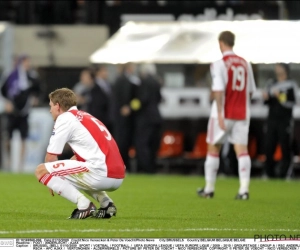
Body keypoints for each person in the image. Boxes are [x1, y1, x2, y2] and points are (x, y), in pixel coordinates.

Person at [34, 88, 125, 219]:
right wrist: (60, 172)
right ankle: (106, 203)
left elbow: (51, 156)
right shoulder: (86, 116)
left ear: (58, 106)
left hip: (100, 173)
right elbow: (84, 155)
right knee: (78, 170)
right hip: (118, 175)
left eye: (51, 106)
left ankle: (84, 205)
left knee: (40, 170)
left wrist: (51, 176)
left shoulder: (64, 118)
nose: (50, 110)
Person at [197, 31, 256, 200]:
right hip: (242, 113)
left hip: (222, 113)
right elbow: (251, 91)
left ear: (221, 43)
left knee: (213, 148)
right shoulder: (245, 64)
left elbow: (218, 90)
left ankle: (209, 189)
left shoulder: (219, 64)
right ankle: (244, 190)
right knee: (242, 151)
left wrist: (221, 115)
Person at [1, 54, 41, 172]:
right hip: (12, 111)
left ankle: (20, 166)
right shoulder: (10, 76)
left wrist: (35, 98)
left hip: (24, 112)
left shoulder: (31, 77)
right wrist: (7, 102)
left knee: (24, 138)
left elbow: (38, 89)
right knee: (8, 137)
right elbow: (3, 90)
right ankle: (8, 162)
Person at [262, 63, 297, 179]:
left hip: (285, 121)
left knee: (285, 147)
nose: (277, 70)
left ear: (285, 70)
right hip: (271, 120)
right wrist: (266, 97)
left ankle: (285, 174)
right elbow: (266, 102)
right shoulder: (271, 83)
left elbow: (292, 102)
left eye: (279, 68)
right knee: (268, 146)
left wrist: (280, 96)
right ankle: (269, 174)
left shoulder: (291, 85)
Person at [133, 63, 163, 174]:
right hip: (157, 117)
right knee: (153, 144)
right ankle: (153, 166)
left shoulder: (144, 82)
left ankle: (146, 168)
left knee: (142, 143)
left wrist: (132, 107)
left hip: (145, 118)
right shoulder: (157, 82)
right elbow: (159, 98)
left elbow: (142, 99)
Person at [113, 63, 140, 172]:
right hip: (123, 119)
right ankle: (124, 166)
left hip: (120, 119)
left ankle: (123, 166)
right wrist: (127, 107)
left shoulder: (120, 80)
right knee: (123, 143)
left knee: (122, 143)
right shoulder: (125, 81)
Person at [87, 65, 114, 133]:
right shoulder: (94, 87)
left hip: (108, 118)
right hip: (100, 118)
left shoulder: (108, 85)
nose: (106, 73)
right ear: (98, 73)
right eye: (104, 71)